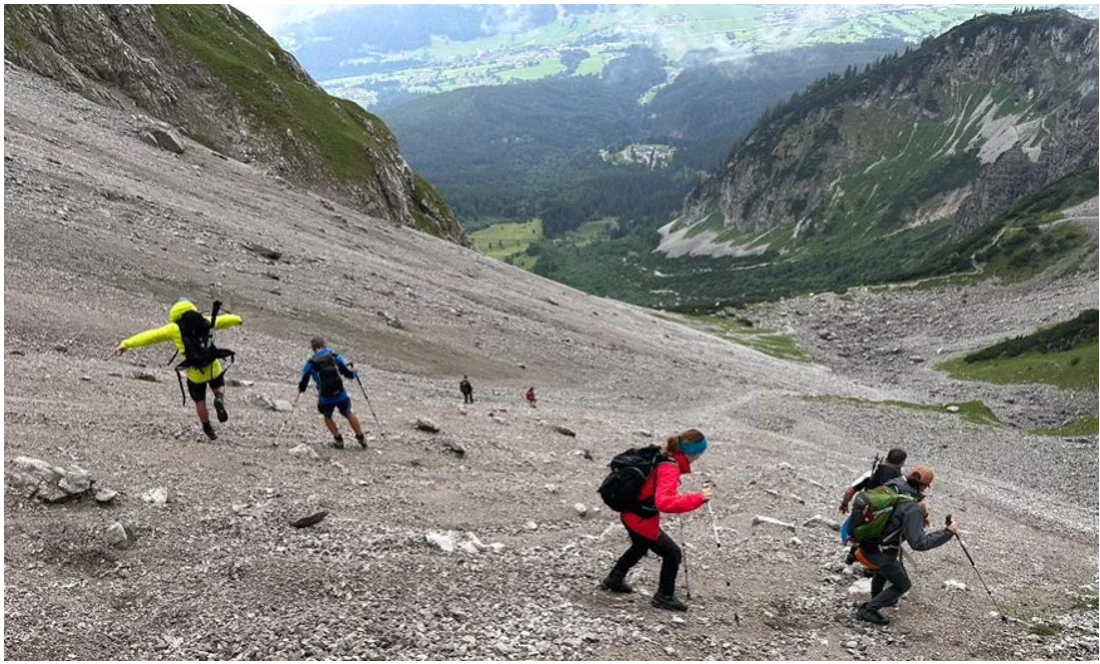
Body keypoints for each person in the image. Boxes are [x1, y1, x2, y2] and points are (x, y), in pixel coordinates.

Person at [602, 429, 713, 612]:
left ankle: (614, 579)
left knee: (639, 546)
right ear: (694, 453)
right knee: (672, 554)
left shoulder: (661, 454)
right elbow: (665, 502)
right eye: (700, 453)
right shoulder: (669, 466)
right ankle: (664, 596)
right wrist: (698, 497)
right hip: (641, 519)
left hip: (630, 513)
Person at [114, 298, 242, 441]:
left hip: (194, 373)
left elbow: (151, 336)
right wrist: (237, 319)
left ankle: (208, 428)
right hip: (212, 366)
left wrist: (126, 344)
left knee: (200, 401)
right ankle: (219, 398)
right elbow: (223, 320)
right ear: (191, 307)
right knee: (218, 386)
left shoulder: (174, 328)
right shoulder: (204, 320)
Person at [855, 466, 958, 626]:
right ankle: (869, 609)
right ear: (924, 486)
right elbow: (919, 543)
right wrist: (947, 533)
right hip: (882, 552)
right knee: (903, 584)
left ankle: (878, 598)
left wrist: (921, 513)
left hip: (867, 542)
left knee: (884, 571)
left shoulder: (893, 484)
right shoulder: (910, 507)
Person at [298, 337, 367, 450]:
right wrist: (354, 371)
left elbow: (304, 380)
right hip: (340, 394)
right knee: (348, 413)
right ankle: (361, 437)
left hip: (325, 397)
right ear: (324, 345)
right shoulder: (334, 356)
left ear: (313, 348)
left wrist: (301, 389)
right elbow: (348, 373)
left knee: (327, 416)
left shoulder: (311, 362)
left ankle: (338, 440)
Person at [839, 447, 907, 513]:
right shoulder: (902, 481)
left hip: (866, 510)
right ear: (902, 463)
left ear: (886, 459)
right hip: (886, 517)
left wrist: (844, 504)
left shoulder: (873, 473)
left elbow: (850, 491)